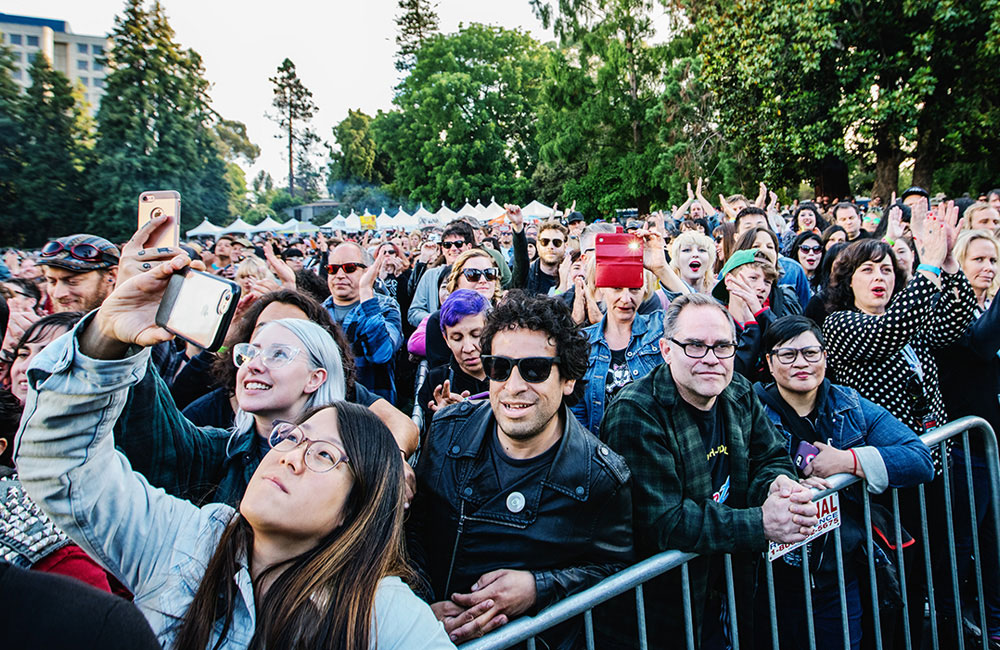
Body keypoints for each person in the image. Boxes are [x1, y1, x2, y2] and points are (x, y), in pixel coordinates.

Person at [17, 268, 454, 648]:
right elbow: (64, 470)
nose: (290, 456)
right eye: (287, 440)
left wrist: (393, 450)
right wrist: (108, 336)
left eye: (321, 454)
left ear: (357, 505)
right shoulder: (184, 544)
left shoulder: (381, 615)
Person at [407, 291, 633, 648]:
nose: (513, 386)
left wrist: (538, 587)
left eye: (535, 369)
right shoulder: (448, 429)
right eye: (499, 367)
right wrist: (418, 607)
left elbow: (617, 576)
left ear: (569, 379)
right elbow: (411, 532)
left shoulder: (600, 476)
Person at [600, 293, 818, 649]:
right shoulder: (636, 412)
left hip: (728, 584)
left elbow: (771, 456)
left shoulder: (738, 390)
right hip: (664, 603)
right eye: (695, 346)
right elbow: (664, 521)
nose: (711, 359)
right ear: (666, 350)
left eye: (723, 346)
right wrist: (761, 523)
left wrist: (778, 486)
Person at [753, 316, 933, 650]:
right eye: (788, 355)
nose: (802, 363)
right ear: (769, 362)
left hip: (837, 567)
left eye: (811, 353)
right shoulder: (750, 410)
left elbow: (919, 459)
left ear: (825, 356)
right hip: (771, 574)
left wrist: (849, 461)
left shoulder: (847, 403)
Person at [935, 229, 1000, 645]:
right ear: (960, 261)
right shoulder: (954, 308)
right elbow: (979, 345)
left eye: (993, 261)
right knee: (961, 547)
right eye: (978, 259)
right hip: (965, 449)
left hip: (992, 448)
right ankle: (953, 627)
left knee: (995, 546)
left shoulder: (989, 306)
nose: (987, 268)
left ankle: (994, 623)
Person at [571, 265, 665, 434]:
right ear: (602, 289)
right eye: (617, 288)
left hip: (654, 447)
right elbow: (576, 410)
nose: (626, 298)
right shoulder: (583, 342)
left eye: (634, 289)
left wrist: (661, 267)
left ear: (644, 290)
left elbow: (699, 318)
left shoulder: (659, 329)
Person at [324, 242, 403, 402]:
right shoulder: (317, 312)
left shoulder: (385, 306)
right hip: (327, 407)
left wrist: (366, 292)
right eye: (332, 269)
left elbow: (381, 355)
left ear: (367, 271)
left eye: (349, 268)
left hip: (372, 408)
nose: (339, 275)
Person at [417, 290, 490, 436]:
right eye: (457, 338)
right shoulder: (435, 382)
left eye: (476, 335)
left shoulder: (511, 374)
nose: (468, 348)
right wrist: (442, 419)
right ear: (446, 340)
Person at [424, 249, 503, 368]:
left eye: (489, 273)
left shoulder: (505, 317)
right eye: (473, 275)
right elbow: (440, 371)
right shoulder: (438, 319)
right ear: (456, 280)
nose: (483, 280)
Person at [735, 207, 812, 309]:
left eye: (769, 247)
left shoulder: (792, 269)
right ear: (737, 238)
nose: (764, 250)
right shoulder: (730, 271)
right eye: (749, 228)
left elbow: (805, 310)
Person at [408, 221, 475, 328]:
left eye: (458, 244)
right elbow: (414, 312)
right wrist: (438, 320)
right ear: (442, 249)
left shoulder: (476, 274)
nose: (453, 249)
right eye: (447, 245)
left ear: (469, 247)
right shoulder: (430, 275)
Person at [38, 234, 119, 313]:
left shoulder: (127, 324)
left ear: (111, 276)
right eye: (52, 281)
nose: (58, 294)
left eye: (73, 282)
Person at [512, 210, 569, 296]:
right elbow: (520, 258)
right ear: (538, 245)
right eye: (545, 242)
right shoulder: (526, 276)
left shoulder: (572, 276)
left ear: (565, 246)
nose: (550, 246)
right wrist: (518, 227)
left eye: (557, 242)